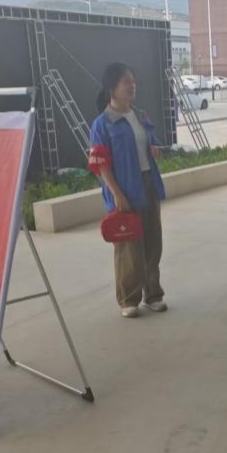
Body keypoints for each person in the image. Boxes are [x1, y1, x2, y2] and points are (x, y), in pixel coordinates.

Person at [88, 63, 168, 319]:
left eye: (133, 82)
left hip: (148, 183)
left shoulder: (141, 116)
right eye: (126, 82)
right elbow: (101, 164)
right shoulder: (103, 124)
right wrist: (117, 194)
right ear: (112, 88)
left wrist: (153, 149)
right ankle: (128, 298)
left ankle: (153, 294)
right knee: (128, 247)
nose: (132, 86)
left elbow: (149, 142)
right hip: (124, 188)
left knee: (153, 242)